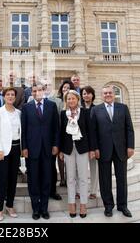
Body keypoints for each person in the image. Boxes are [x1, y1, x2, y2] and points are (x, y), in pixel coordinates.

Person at [89, 85, 135, 218]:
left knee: (122, 179)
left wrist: (130, 146)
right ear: (101, 95)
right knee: (105, 180)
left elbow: (129, 129)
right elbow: (93, 132)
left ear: (114, 94)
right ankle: (108, 206)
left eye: (110, 93)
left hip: (121, 149)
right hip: (103, 150)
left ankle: (123, 205)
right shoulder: (96, 110)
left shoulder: (123, 108)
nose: (107, 95)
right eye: (105, 93)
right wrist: (95, 148)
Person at [21, 83, 59, 220]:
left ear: (44, 91)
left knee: (46, 179)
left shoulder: (51, 106)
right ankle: (35, 209)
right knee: (33, 180)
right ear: (32, 93)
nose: (37, 92)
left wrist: (55, 144)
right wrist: (24, 148)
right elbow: (23, 130)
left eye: (40, 90)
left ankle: (44, 208)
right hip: (31, 150)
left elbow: (56, 127)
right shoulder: (26, 108)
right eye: (34, 90)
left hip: (48, 149)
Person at [59, 90, 91, 218]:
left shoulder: (85, 113)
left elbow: (89, 132)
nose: (70, 101)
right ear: (66, 101)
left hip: (82, 148)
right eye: (68, 99)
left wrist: (92, 149)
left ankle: (83, 204)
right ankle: (71, 204)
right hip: (68, 149)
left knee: (83, 178)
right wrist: (61, 150)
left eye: (73, 98)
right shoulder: (63, 114)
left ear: (78, 99)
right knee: (70, 178)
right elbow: (61, 133)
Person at [0, 87, 21, 221]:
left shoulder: (19, 113)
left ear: (15, 97)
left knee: (13, 180)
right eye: (8, 94)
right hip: (3, 151)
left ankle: (9, 205)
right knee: (2, 180)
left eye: (12, 95)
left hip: (16, 150)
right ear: (4, 97)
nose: (10, 96)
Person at [42, 78, 63, 201]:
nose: (46, 87)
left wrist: (57, 142)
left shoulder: (58, 101)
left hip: (51, 141)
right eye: (44, 85)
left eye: (49, 84)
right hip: (38, 141)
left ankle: (52, 190)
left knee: (51, 167)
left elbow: (59, 123)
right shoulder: (31, 99)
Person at [56, 80, 76, 187]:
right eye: (64, 87)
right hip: (60, 131)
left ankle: (70, 178)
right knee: (60, 156)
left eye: (67, 88)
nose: (65, 89)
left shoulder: (73, 100)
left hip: (72, 131)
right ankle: (62, 179)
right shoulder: (58, 101)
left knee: (70, 156)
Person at [81, 86, 99, 200]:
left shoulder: (97, 109)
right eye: (84, 94)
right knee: (80, 169)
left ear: (92, 95)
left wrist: (96, 147)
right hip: (81, 142)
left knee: (94, 169)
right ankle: (79, 191)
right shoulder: (78, 108)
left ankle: (93, 191)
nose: (86, 95)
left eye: (88, 93)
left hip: (94, 142)